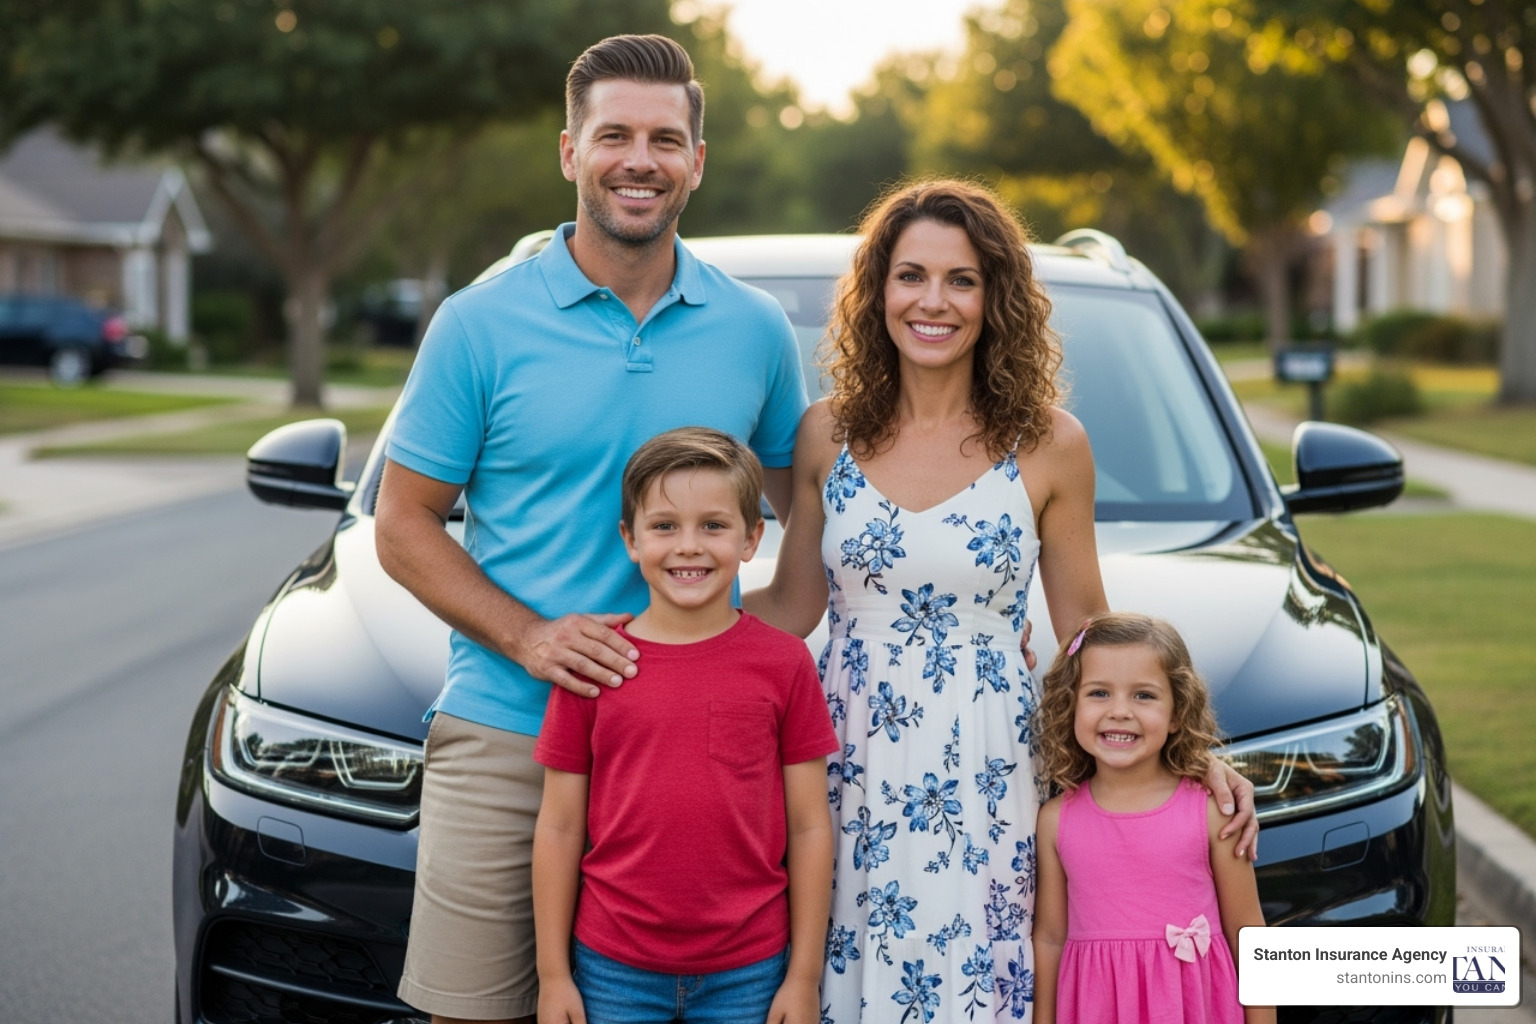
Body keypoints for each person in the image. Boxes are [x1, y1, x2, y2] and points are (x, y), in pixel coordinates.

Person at [744, 179, 1255, 1023]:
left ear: (996, 299)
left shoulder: (1052, 444)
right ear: (878, 293)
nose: (932, 302)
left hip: (989, 766)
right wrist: (659, 637)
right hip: (848, 760)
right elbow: (795, 605)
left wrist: (1195, 754)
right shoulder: (825, 432)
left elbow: (1089, 631)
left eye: (962, 279)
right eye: (910, 276)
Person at [374, 35, 808, 1024]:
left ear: (698, 160)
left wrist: (776, 629)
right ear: (570, 151)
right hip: (512, 729)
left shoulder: (752, 330)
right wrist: (531, 636)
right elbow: (403, 524)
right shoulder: (477, 324)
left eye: (665, 138)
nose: (639, 159)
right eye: (613, 134)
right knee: (473, 1013)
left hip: (705, 756)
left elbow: (811, 509)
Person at [532, 427, 838, 1024]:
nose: (689, 547)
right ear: (630, 539)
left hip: (750, 969)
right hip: (611, 966)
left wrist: (803, 977)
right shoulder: (597, 663)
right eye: (665, 526)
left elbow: (807, 827)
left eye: (714, 526)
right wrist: (552, 976)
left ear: (752, 539)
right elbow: (561, 826)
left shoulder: (783, 663)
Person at [1030, 613, 1273, 1024]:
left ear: (1177, 712)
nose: (1120, 711)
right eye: (1099, 693)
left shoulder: (1213, 810)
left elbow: (1248, 932)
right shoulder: (1056, 821)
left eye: (1143, 695)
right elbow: (1051, 938)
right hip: (1096, 1009)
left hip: (1195, 1008)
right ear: (1070, 705)